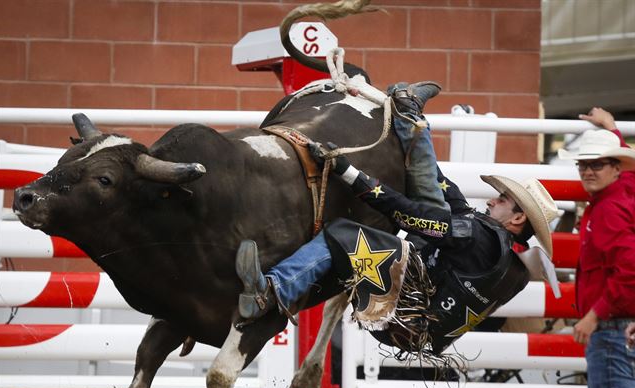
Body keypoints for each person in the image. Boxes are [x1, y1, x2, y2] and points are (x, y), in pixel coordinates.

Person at [236, 83, 559, 358]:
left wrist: (348, 172)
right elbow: (449, 193)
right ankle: (410, 116)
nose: (491, 199)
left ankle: (271, 290)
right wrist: (413, 137)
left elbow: (407, 213)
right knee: (434, 199)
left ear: (518, 217)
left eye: (502, 200)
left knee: (344, 234)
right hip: (417, 326)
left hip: (400, 317)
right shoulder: (507, 262)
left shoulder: (477, 237)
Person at [561, 107, 635, 388]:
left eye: (596, 165)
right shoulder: (624, 194)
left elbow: (629, 270)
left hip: (609, 333)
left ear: (613, 169)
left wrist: (594, 314)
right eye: (584, 165)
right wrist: (613, 132)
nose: (588, 171)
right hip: (618, 332)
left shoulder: (607, 211)